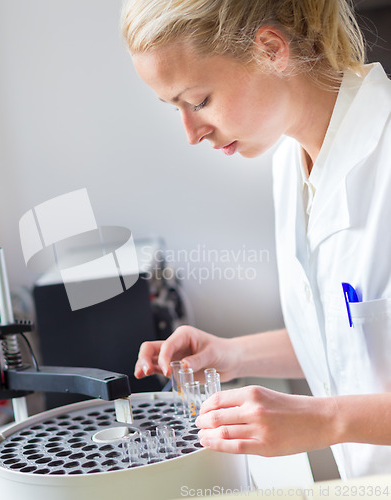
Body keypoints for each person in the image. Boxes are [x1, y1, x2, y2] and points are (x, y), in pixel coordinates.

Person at [120, 0, 391, 479]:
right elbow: (354, 334)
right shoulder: (291, 163)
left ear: (270, 50)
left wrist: (323, 420)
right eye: (176, 108)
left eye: (198, 101)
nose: (190, 132)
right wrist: (231, 354)